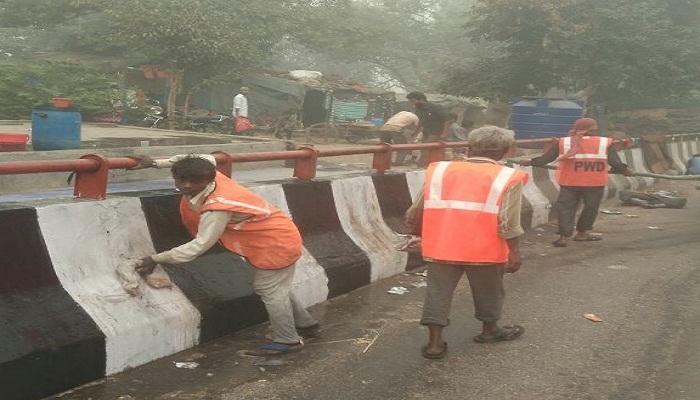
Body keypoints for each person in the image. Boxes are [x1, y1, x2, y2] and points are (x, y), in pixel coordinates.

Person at [132, 154, 319, 355]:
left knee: (269, 289)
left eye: (194, 181)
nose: (186, 185)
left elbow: (199, 246)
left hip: (275, 243)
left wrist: (155, 259)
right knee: (276, 287)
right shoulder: (211, 172)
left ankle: (287, 340)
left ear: (210, 179)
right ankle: (306, 324)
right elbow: (202, 156)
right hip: (273, 236)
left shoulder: (217, 207)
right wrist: (156, 162)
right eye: (181, 179)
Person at [406, 126, 528, 359]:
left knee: (438, 293)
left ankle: (434, 344)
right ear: (504, 151)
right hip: (485, 249)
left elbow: (416, 210)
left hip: (442, 246)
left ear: (469, 147)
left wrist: (416, 232)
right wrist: (515, 252)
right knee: (490, 291)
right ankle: (489, 331)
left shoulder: (440, 170)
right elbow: (508, 222)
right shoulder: (507, 176)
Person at [520, 118, 633, 247]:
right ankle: (582, 233)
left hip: (569, 182)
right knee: (590, 208)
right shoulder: (605, 142)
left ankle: (563, 237)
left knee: (565, 208)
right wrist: (624, 170)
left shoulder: (564, 141)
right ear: (594, 128)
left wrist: (530, 162)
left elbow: (547, 158)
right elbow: (615, 162)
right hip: (594, 183)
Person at [406, 92, 451, 166]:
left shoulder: (435, 107)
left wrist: (444, 133)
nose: (412, 103)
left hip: (436, 131)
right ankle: (427, 164)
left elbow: (447, 120)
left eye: (413, 101)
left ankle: (422, 165)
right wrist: (415, 132)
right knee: (423, 148)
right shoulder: (418, 109)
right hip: (426, 131)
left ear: (421, 99)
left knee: (427, 148)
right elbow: (421, 121)